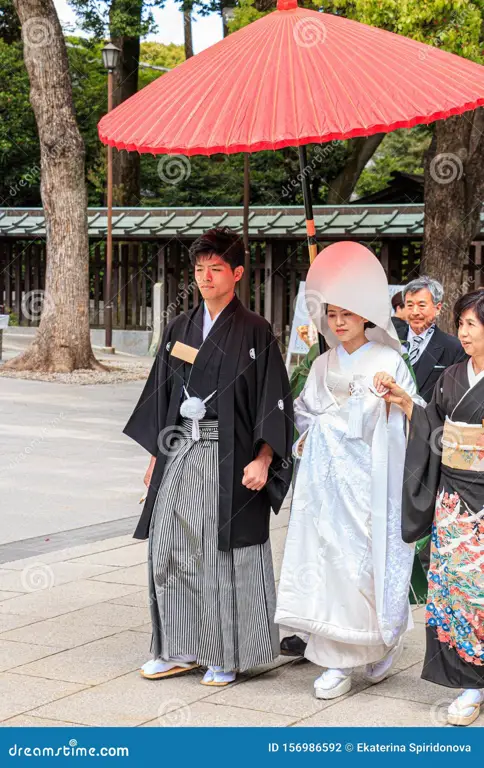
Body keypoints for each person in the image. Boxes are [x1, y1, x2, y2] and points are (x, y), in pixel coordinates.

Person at [123, 226, 293, 686]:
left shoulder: (256, 331)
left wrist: (264, 457)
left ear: (237, 273)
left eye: (215, 269)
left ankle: (227, 651)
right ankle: (177, 647)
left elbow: (273, 399)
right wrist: (158, 456)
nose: (205, 277)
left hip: (231, 454)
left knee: (223, 556)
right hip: (181, 448)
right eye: (199, 269)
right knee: (169, 547)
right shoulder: (180, 326)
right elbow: (161, 394)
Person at [275, 241, 424, 700]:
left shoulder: (388, 361)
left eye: (348, 314)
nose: (339, 323)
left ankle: (381, 639)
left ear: (366, 316)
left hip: (370, 484)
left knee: (367, 566)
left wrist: (384, 402)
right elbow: (304, 415)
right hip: (327, 488)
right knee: (328, 567)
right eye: (332, 314)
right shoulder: (321, 364)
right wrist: (319, 426)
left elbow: (412, 412)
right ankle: (336, 661)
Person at [377, 289, 484, 727]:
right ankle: (470, 684)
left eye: (471, 325)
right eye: (460, 324)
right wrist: (405, 401)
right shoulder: (454, 375)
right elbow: (432, 426)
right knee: (457, 592)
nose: (463, 332)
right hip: (454, 500)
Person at [403, 276, 467, 403]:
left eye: (421, 305)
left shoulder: (454, 348)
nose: (415, 312)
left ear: (437, 309)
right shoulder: (391, 340)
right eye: (409, 305)